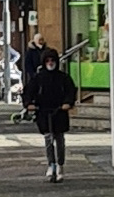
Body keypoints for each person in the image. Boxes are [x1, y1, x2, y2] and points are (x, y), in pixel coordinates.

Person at [33, 53, 80, 181]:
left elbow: (71, 91)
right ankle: (51, 164)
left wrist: (68, 103)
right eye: (47, 60)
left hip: (59, 112)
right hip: (44, 111)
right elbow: (30, 91)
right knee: (48, 138)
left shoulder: (63, 78)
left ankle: (60, 164)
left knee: (59, 139)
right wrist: (29, 104)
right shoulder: (39, 78)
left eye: (52, 60)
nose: (50, 63)